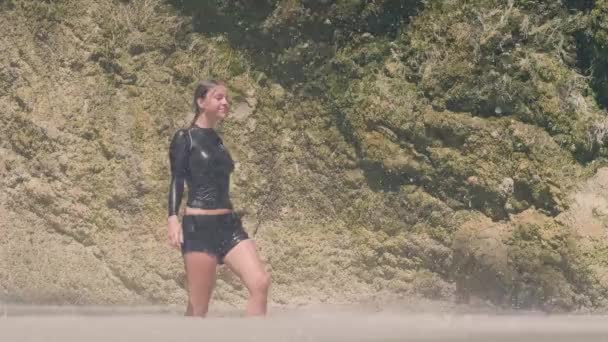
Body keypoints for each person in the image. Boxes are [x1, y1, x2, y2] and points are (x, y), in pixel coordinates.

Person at [167, 80, 271, 317]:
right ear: (201, 102)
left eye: (227, 98)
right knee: (198, 309)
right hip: (199, 228)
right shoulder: (185, 138)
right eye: (219, 97)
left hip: (228, 225)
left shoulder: (218, 140)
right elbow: (177, 179)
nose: (226, 102)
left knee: (260, 283)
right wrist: (172, 217)